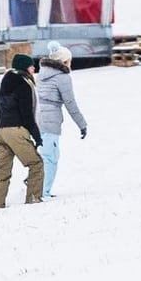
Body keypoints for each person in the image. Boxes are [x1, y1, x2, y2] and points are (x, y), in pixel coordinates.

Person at [0, 54, 46, 208]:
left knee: (2, 170)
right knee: (36, 164)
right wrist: (37, 137)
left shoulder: (6, 81)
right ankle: (34, 200)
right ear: (24, 67)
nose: (34, 68)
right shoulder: (24, 85)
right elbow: (27, 115)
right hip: (16, 131)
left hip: (1, 131)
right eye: (31, 66)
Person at [35, 41, 89, 199]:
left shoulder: (41, 73)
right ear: (64, 61)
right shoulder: (62, 77)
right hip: (50, 121)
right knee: (50, 157)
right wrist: (82, 124)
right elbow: (70, 103)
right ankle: (42, 192)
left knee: (44, 155)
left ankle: (38, 187)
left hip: (38, 119)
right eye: (69, 60)